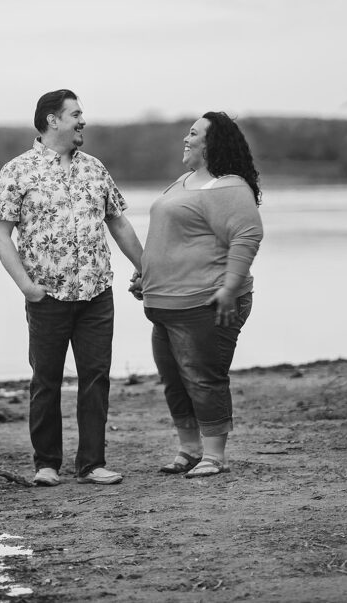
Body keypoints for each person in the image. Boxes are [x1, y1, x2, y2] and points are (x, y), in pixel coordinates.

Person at [0, 89, 143, 487]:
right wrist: (26, 286)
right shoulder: (17, 171)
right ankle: (47, 465)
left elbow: (119, 223)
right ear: (52, 120)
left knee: (96, 377)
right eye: (75, 114)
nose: (82, 121)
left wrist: (147, 269)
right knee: (46, 380)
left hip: (96, 292)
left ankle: (92, 464)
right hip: (46, 295)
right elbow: (1, 236)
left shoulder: (94, 168)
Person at [133, 111, 263, 478]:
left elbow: (247, 235)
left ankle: (214, 455)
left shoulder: (229, 186)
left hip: (206, 301)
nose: (185, 140)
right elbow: (172, 237)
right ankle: (188, 450)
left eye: (193, 134)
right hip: (165, 304)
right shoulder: (185, 182)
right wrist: (146, 274)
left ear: (212, 144)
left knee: (204, 378)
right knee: (175, 380)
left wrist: (229, 287)